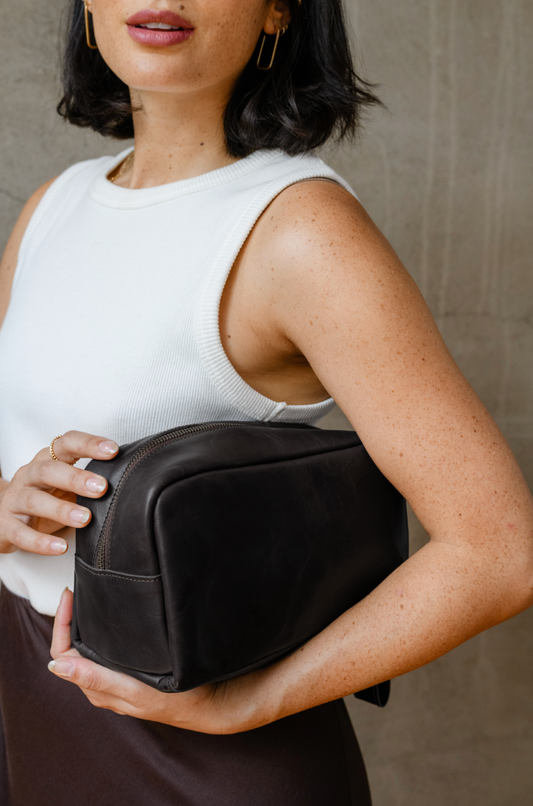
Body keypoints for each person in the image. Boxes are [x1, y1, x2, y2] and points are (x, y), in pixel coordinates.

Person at [0, 0, 531, 803]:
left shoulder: (299, 228)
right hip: (30, 693)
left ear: (278, 10)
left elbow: (499, 553)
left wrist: (244, 706)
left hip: (197, 750)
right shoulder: (53, 206)